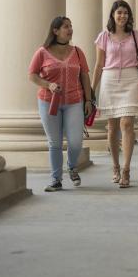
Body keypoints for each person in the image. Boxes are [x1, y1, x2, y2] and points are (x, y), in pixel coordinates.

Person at [29, 16, 93, 192]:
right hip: (49, 102)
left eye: (71, 26)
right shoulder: (42, 52)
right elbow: (32, 75)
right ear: (55, 31)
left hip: (74, 101)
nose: (70, 29)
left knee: (75, 142)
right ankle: (56, 179)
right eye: (66, 27)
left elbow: (85, 76)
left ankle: (72, 166)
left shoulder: (78, 52)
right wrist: (48, 85)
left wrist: (88, 100)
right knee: (55, 142)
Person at [91, 0, 138, 188]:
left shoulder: (135, 35)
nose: (122, 16)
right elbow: (99, 65)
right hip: (110, 79)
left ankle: (126, 169)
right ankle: (115, 166)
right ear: (113, 15)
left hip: (131, 78)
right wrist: (92, 89)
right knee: (112, 127)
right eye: (119, 12)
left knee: (127, 123)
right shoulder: (104, 37)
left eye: (125, 13)